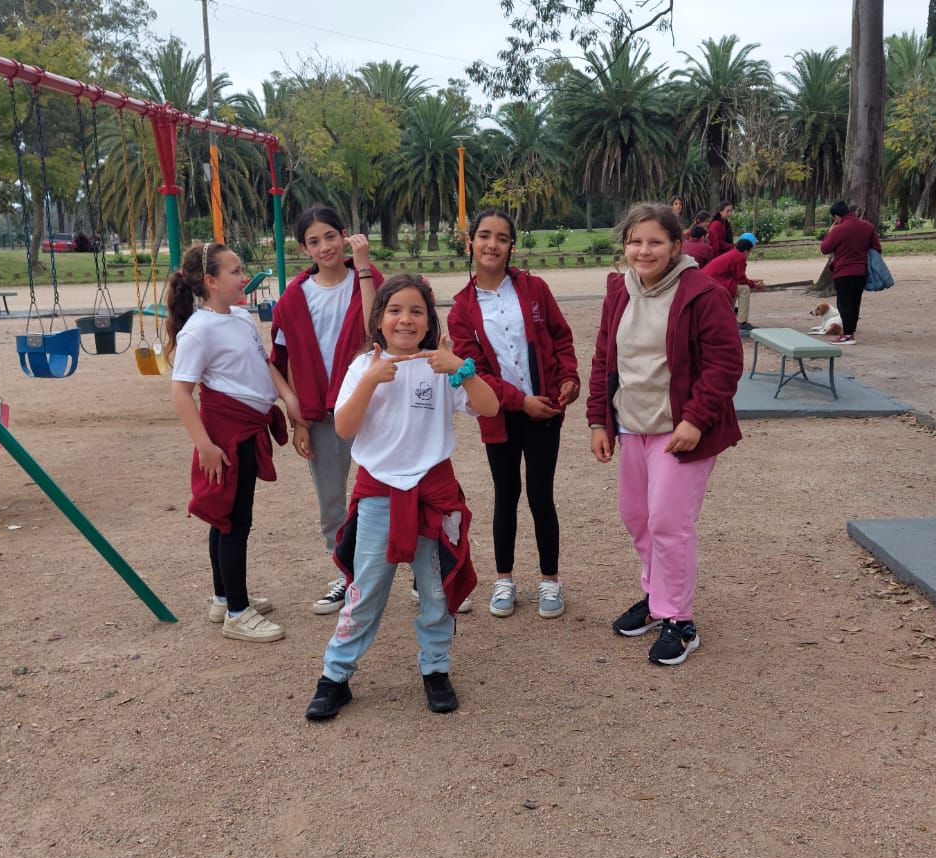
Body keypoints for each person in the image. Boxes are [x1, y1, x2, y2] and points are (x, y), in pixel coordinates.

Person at [305, 275, 501, 720]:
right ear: (379, 320)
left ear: (429, 321)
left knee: (435, 589)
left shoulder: (441, 365)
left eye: (416, 311)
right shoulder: (363, 368)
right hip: (379, 495)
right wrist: (372, 379)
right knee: (367, 589)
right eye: (395, 310)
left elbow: (488, 407)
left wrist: (462, 368)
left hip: (433, 493)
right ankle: (335, 676)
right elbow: (344, 427)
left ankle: (435, 669)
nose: (405, 320)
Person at [587, 203, 743, 667]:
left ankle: (679, 619)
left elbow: (724, 364)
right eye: (635, 241)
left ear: (676, 246)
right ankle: (657, 598)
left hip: (680, 431)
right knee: (637, 516)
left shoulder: (702, 292)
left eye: (655, 241)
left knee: (669, 523)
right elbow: (604, 359)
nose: (643, 250)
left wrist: (695, 419)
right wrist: (599, 420)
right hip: (632, 425)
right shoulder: (620, 290)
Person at [167, 243, 306, 643]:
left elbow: (263, 364)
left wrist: (288, 397)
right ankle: (238, 613)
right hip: (227, 433)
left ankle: (223, 596)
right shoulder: (199, 330)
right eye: (235, 271)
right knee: (234, 521)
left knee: (227, 516)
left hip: (247, 427)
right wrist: (206, 446)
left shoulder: (241, 317)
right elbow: (181, 393)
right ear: (210, 282)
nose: (244, 276)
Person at [448, 209, 579, 619]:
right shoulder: (462, 310)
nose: (492, 244)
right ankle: (504, 580)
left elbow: (559, 337)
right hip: (501, 416)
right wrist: (519, 401)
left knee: (542, 496)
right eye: (484, 236)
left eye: (502, 238)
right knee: (506, 495)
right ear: (470, 243)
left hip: (545, 411)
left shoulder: (534, 288)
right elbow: (477, 371)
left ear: (511, 246)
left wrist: (569, 378)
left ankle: (550, 582)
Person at [269, 206, 384, 614]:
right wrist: (296, 414)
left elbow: (378, 327)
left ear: (345, 236)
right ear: (304, 248)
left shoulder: (364, 280)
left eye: (330, 236)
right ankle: (348, 576)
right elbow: (280, 360)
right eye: (314, 241)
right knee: (332, 499)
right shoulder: (293, 299)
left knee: (395, 489)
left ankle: (419, 574)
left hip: (372, 404)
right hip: (321, 412)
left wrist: (366, 267)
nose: (325, 247)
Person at [818, 200, 881, 345]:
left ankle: (847, 335)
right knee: (855, 302)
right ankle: (850, 331)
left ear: (837, 217)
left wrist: (830, 231)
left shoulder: (839, 229)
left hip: (843, 272)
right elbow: (877, 248)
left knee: (844, 303)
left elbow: (825, 248)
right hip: (861, 272)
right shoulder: (867, 226)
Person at [700, 232, 766, 326]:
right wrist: (754, 285)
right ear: (746, 251)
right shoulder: (740, 258)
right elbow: (741, 280)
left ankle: (727, 318)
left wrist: (752, 282)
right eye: (750, 251)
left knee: (735, 288)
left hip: (710, 281)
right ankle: (742, 322)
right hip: (714, 284)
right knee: (744, 289)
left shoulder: (733, 253)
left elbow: (738, 277)